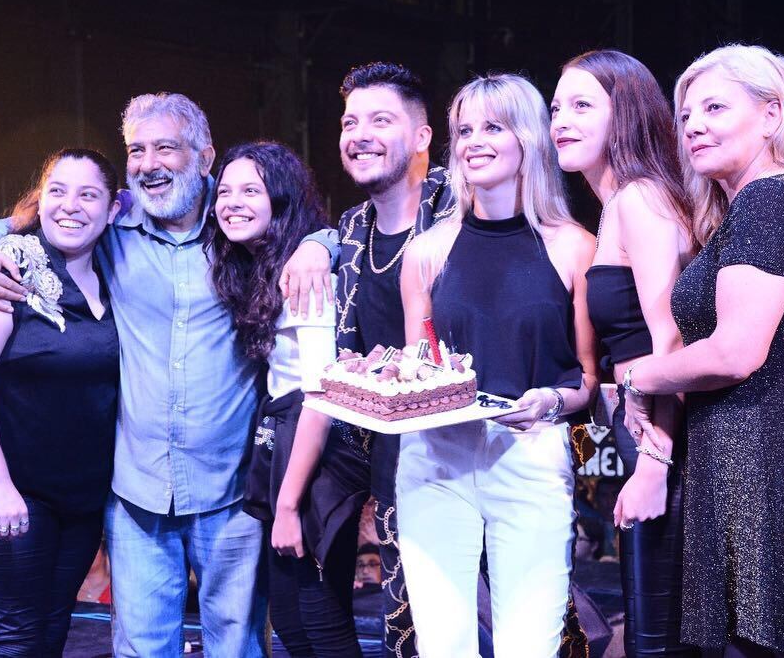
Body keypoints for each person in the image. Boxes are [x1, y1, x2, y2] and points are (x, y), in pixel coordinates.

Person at [0, 94, 334, 657]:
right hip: (135, 492)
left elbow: (321, 227)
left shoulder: (240, 225)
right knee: (141, 649)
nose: (150, 163)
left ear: (205, 157)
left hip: (230, 490)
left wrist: (320, 246)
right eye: (137, 150)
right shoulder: (114, 221)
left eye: (166, 148)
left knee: (237, 646)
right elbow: (32, 219)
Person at [623, 44, 784, 656]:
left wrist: (640, 376)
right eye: (687, 114)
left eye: (716, 107)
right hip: (771, 466)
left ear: (773, 115)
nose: (694, 124)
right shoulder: (772, 204)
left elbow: (735, 352)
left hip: (774, 471)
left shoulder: (770, 201)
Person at [397, 73, 598, 657]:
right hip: (437, 456)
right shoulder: (428, 251)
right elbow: (419, 369)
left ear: (529, 139)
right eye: (463, 129)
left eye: (492, 126)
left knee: (529, 647)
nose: (472, 141)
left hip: (531, 451)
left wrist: (550, 402)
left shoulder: (573, 246)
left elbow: (586, 379)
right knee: (443, 646)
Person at [281, 61, 453, 658]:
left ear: (424, 136)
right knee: (304, 555)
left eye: (381, 120)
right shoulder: (350, 231)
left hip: (458, 445)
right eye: (350, 121)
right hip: (373, 443)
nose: (359, 134)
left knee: (448, 615)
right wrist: (314, 242)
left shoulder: (462, 210)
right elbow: (330, 370)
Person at [0, 149, 121, 655]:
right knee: (16, 639)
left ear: (113, 208)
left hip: (78, 497)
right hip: (7, 490)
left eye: (88, 194)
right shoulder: (6, 265)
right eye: (58, 191)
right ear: (42, 197)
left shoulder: (117, 272)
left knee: (53, 631)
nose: (70, 206)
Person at [550, 49, 699, 657]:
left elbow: (671, 341)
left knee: (656, 638)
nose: (561, 119)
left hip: (668, 440)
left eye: (583, 105)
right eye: (557, 106)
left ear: (626, 116)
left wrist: (654, 465)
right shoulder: (616, 205)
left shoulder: (640, 200)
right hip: (644, 430)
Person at [207, 141, 370, 657]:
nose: (232, 201)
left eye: (251, 190)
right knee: (295, 625)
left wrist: (288, 504)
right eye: (225, 190)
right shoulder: (263, 266)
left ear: (281, 200)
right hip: (286, 440)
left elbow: (320, 393)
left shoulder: (305, 272)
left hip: (317, 453)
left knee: (321, 622)